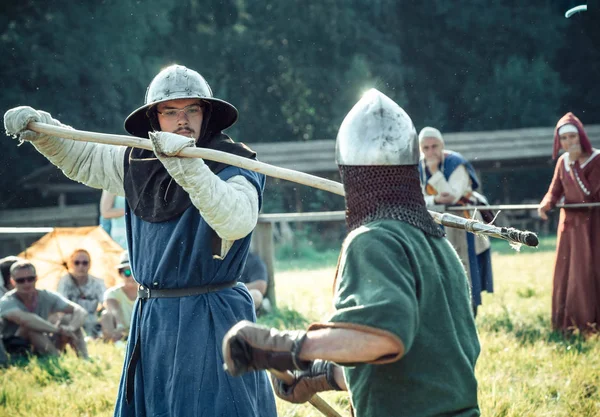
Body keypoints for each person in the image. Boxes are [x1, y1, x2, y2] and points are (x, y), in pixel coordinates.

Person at [4, 64, 276, 417]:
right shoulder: (139, 161)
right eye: (171, 111)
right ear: (154, 117)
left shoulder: (233, 161)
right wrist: (42, 131)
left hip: (211, 314)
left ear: (206, 114)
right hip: (155, 316)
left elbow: (236, 219)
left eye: (192, 109)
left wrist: (189, 167)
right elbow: (84, 155)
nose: (183, 120)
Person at [222, 89, 480, 417]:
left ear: (350, 175)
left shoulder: (374, 240)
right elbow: (417, 364)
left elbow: (384, 339)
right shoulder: (439, 245)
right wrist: (322, 375)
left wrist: (282, 347)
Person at [418, 127, 493, 316]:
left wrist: (435, 172)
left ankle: (469, 311)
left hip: (462, 222)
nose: (430, 152)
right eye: (425, 148)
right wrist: (434, 200)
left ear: (442, 145)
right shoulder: (417, 166)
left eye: (434, 146)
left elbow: (452, 196)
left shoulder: (456, 163)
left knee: (463, 266)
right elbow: (416, 197)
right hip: (433, 223)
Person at [538, 112, 600, 334]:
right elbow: (555, 190)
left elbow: (589, 195)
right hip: (569, 226)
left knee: (587, 270)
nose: (568, 143)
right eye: (564, 139)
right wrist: (546, 204)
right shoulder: (563, 162)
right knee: (567, 271)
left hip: (592, 226)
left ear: (581, 137)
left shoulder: (597, 159)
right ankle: (567, 324)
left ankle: (590, 323)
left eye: (572, 137)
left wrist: (574, 166)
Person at [0, 260, 88, 359]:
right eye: (21, 280)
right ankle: (57, 360)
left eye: (30, 279)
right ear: (12, 282)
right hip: (17, 348)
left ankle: (85, 359)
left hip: (43, 341)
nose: (26, 283)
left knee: (68, 319)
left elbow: (80, 311)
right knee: (30, 328)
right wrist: (58, 330)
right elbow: (26, 320)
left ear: (36, 278)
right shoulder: (6, 302)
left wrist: (70, 328)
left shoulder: (46, 296)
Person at [57, 249, 106, 338]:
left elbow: (105, 302)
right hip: (72, 317)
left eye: (85, 263)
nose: (81, 266)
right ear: (70, 264)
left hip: (92, 319)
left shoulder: (98, 282)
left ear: (90, 264)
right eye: (77, 263)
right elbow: (62, 304)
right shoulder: (64, 282)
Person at [101, 251, 136, 342]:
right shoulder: (113, 293)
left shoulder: (146, 292)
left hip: (139, 331)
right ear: (120, 274)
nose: (132, 277)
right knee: (106, 315)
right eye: (128, 272)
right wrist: (120, 325)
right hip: (120, 332)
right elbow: (113, 309)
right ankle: (115, 342)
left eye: (134, 272)